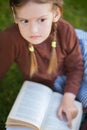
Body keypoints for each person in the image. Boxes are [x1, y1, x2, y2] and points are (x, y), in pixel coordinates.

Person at [0, 0, 84, 129]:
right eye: (25, 21)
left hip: (81, 51)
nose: (33, 30)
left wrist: (68, 99)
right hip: (54, 80)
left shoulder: (65, 31)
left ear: (56, 14)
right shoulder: (10, 39)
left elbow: (76, 67)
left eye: (42, 20)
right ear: (15, 16)